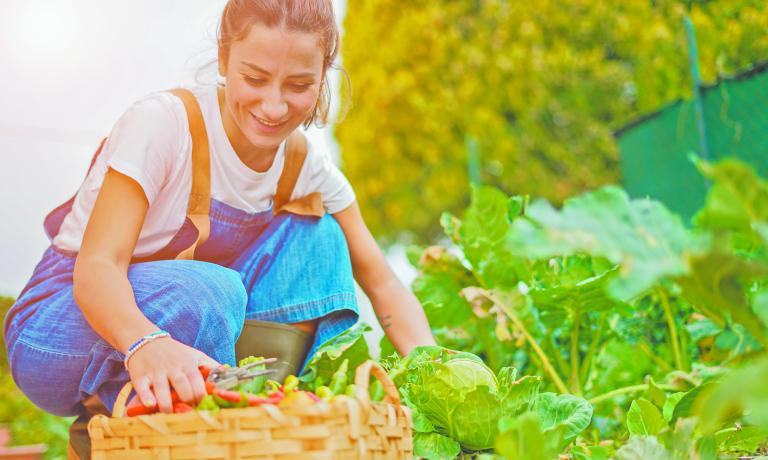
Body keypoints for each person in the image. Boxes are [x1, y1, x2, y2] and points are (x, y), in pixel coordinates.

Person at [3, 0, 436, 422]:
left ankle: (266, 412)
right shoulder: (164, 125)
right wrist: (145, 342)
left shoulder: (305, 166)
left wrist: (435, 374)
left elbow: (381, 282)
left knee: (320, 238)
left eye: (299, 86)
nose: (274, 106)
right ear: (224, 58)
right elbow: (97, 267)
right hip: (58, 326)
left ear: (324, 76)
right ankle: (132, 407)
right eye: (256, 78)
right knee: (211, 291)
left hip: (193, 320)